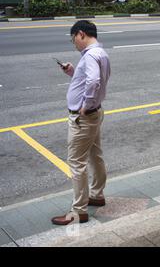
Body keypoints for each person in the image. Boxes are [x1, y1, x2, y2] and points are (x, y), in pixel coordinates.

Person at [51, 20, 111, 225]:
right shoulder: (100, 53)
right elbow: (91, 78)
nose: (74, 43)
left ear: (81, 34)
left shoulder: (91, 55)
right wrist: (72, 71)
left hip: (83, 117)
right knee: (95, 155)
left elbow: (93, 82)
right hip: (95, 114)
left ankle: (78, 211)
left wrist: (85, 105)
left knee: (77, 163)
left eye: (73, 38)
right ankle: (97, 194)